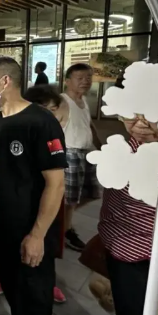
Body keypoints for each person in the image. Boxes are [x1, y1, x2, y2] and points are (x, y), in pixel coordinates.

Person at [0, 57, 66, 315]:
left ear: (4, 81)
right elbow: (0, 167)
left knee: (33, 295)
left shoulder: (41, 122)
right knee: (12, 285)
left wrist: (38, 235)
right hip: (4, 221)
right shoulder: (0, 121)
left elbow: (56, 184)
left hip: (31, 225)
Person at [98, 115, 158, 315]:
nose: (141, 122)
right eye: (131, 113)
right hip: (122, 251)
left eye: (150, 114)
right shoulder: (123, 148)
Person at [24, 84, 71, 305]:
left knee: (40, 261)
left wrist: (37, 235)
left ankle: (43, 292)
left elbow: (56, 185)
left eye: (53, 110)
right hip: (20, 211)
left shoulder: (52, 139)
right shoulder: (20, 133)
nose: (52, 118)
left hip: (42, 213)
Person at [61, 63, 102, 252]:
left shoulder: (84, 101)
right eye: (80, 78)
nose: (85, 81)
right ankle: (64, 231)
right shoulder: (62, 102)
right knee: (71, 199)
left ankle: (61, 220)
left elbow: (89, 124)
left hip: (86, 152)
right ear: (67, 81)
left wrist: (101, 146)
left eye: (88, 77)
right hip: (70, 153)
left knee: (92, 192)